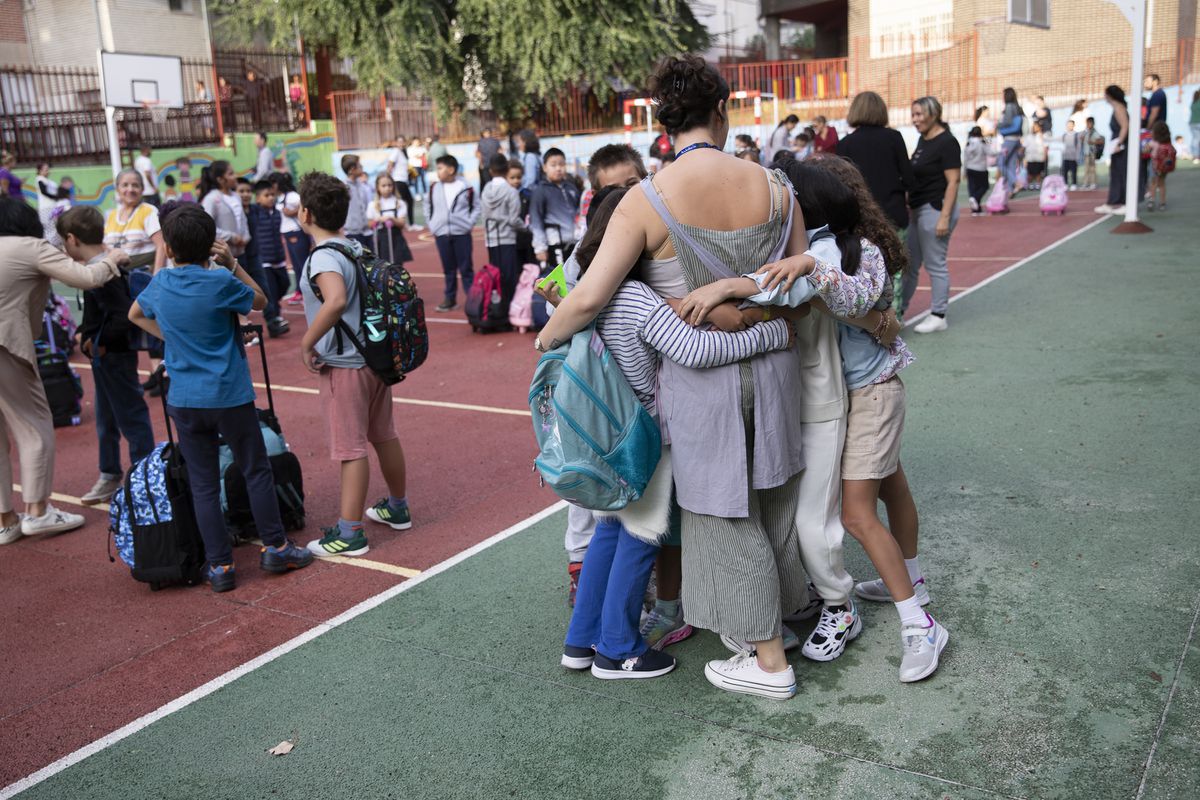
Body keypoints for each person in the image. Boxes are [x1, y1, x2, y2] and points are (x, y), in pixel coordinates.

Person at [535, 55, 816, 698]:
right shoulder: (775, 186)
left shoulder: (645, 200)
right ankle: (779, 626)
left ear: (662, 124)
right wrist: (752, 314)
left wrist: (548, 347)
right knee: (774, 497)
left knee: (724, 513)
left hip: (700, 388)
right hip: (774, 369)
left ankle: (764, 651)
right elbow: (802, 282)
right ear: (722, 109)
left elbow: (585, 297)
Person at [685, 156, 947, 682]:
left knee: (855, 514)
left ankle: (917, 623)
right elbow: (818, 299)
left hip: (870, 393)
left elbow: (834, 295)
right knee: (887, 489)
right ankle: (908, 583)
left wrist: (768, 279)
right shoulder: (818, 247)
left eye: (786, 199)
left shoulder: (846, 251)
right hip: (849, 396)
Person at [551, 187, 799, 680]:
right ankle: (619, 647)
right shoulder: (635, 297)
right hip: (645, 435)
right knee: (643, 538)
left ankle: (581, 640)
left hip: (604, 435)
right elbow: (694, 350)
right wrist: (772, 334)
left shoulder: (582, 290)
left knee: (608, 533)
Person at [128, 203, 313, 590]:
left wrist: (172, 340)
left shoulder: (160, 283)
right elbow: (260, 300)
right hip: (229, 394)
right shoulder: (220, 282)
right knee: (255, 469)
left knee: (203, 483)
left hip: (185, 399)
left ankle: (221, 567)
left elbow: (135, 315)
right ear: (211, 245)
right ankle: (276, 547)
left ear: (172, 249)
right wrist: (233, 265)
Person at [296, 171, 412, 557]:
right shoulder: (354, 247)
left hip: (344, 363)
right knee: (383, 433)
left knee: (351, 448)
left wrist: (307, 341)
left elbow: (335, 301)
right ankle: (397, 507)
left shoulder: (323, 258)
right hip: (374, 357)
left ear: (306, 212)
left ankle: (350, 533)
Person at [0, 198, 129, 544]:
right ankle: (39, 513)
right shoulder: (30, 247)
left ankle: (6, 520)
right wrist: (112, 258)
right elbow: (85, 277)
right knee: (34, 426)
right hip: (5, 346)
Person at [57, 206, 155, 506]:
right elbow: (98, 313)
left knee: (131, 416)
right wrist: (86, 334)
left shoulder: (104, 272)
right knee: (106, 418)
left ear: (72, 239)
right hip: (104, 356)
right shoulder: (97, 267)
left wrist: (100, 342)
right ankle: (110, 473)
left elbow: (122, 316)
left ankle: (145, 477)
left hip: (114, 356)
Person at [901, 96, 960, 334]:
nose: (914, 120)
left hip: (934, 209)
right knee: (911, 264)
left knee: (935, 264)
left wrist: (944, 216)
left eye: (918, 114)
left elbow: (954, 181)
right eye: (913, 115)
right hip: (917, 210)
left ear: (933, 114)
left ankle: (938, 314)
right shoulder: (923, 140)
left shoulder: (947, 142)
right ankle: (899, 310)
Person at [836, 90, 916, 231]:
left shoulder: (845, 144)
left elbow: (841, 184)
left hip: (861, 215)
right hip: (892, 213)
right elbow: (909, 177)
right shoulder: (894, 138)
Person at [424, 154, 479, 312]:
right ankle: (450, 298)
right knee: (448, 268)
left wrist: (468, 223)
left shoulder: (466, 187)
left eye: (440, 168)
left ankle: (472, 298)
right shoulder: (434, 187)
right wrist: (433, 224)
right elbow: (428, 207)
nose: (438, 172)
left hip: (462, 233)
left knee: (466, 267)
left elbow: (476, 207)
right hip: (441, 233)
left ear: (451, 169)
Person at [481, 153, 526, 310]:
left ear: (491, 171)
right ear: (507, 169)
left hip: (491, 238)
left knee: (495, 275)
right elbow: (514, 220)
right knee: (509, 277)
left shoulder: (486, 189)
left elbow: (485, 215)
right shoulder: (511, 191)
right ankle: (510, 311)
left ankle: (497, 308)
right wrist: (526, 228)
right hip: (507, 238)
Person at [247, 180, 290, 337]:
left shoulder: (277, 213)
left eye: (272, 194)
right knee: (269, 291)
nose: (271, 198)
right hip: (264, 260)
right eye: (266, 195)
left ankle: (274, 309)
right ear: (257, 198)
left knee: (285, 284)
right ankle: (274, 319)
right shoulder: (255, 212)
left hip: (278, 257)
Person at [104, 168, 165, 269]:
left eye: (135, 185)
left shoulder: (148, 211)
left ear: (142, 189)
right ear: (118, 189)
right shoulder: (111, 215)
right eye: (125, 185)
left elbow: (161, 245)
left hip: (142, 276)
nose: (130, 189)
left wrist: (156, 276)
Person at [530, 147, 580, 267]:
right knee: (561, 280)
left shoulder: (571, 188)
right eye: (553, 165)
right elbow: (536, 221)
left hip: (576, 243)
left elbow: (579, 214)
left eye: (562, 164)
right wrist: (540, 248)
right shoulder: (540, 191)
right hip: (555, 243)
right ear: (545, 167)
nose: (558, 168)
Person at [198, 160, 250, 269]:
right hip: (222, 257)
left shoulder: (236, 196)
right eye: (230, 174)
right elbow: (207, 227)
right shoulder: (211, 199)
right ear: (220, 179)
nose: (235, 176)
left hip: (241, 253)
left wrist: (245, 237)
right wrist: (232, 237)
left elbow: (243, 219)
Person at [1095, 85, 1130, 215]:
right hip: (1117, 146)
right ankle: (1114, 201)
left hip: (1120, 147)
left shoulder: (1119, 108)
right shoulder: (1117, 108)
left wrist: (1119, 143)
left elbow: (1125, 126)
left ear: (1110, 95)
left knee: (1122, 173)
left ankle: (1126, 203)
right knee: (1116, 174)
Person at [366, 172, 413, 264]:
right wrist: (379, 219)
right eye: (383, 186)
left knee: (397, 265)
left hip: (396, 239)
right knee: (382, 265)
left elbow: (402, 224)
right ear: (377, 188)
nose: (387, 188)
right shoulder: (373, 205)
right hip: (380, 240)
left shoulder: (399, 203)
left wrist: (392, 219)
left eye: (390, 185)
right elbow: (370, 224)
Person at [1140, 74, 1168, 203]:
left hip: (1154, 133)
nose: (1145, 82)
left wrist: (1147, 129)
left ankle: (1151, 191)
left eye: (1147, 80)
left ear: (1155, 81)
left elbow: (1154, 113)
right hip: (1155, 132)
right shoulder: (1157, 95)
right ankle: (1151, 190)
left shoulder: (1157, 95)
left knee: (1153, 163)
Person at [996, 87, 1025, 197]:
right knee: (1011, 164)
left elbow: (1007, 122)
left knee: (1001, 162)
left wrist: (998, 125)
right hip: (1016, 139)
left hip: (1009, 139)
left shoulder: (1009, 107)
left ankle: (1015, 183)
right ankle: (1011, 189)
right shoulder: (1018, 107)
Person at [340, 154, 372, 250]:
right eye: (359, 166)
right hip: (352, 233)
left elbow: (367, 205)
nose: (362, 168)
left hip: (367, 231)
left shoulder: (362, 186)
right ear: (351, 170)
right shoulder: (344, 188)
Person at [383, 139, 416, 230]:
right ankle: (404, 224)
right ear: (395, 143)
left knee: (406, 201)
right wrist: (387, 178)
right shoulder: (396, 151)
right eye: (399, 141)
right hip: (398, 181)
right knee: (403, 202)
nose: (401, 143)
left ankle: (407, 223)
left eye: (403, 142)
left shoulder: (403, 153)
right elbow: (390, 164)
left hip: (403, 181)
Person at [1146, 121, 1176, 212]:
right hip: (1164, 166)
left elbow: (1145, 150)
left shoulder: (1153, 142)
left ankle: (1152, 200)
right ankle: (1162, 203)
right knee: (1162, 183)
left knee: (1153, 182)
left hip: (1154, 164)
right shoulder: (1168, 143)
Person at [963, 126, 989, 214]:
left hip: (970, 168)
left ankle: (976, 209)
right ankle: (975, 198)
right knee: (984, 186)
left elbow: (965, 158)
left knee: (972, 188)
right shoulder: (982, 142)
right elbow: (991, 152)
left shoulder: (968, 143)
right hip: (981, 168)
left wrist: (964, 170)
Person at [475, 128, 502, 194]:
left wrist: (481, 163)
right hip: (494, 165)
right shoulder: (496, 141)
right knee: (495, 181)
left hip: (485, 165)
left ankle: (487, 196)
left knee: (486, 182)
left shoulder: (481, 142)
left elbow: (478, 154)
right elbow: (500, 152)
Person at [1024, 119, 1047, 191]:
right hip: (1030, 157)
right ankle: (1030, 184)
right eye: (1033, 127)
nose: (1034, 128)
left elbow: (1045, 147)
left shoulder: (1043, 136)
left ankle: (1038, 184)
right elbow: (1024, 146)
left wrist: (1045, 156)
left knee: (1038, 172)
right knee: (1030, 172)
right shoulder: (1028, 136)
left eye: (1036, 127)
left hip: (1039, 157)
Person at [1082, 117, 1104, 190]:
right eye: (1087, 123)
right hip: (1086, 153)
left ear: (1092, 123)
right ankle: (1086, 183)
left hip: (1092, 153)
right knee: (1086, 169)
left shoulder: (1094, 132)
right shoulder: (1085, 132)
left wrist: (1093, 142)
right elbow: (1082, 140)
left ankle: (1093, 183)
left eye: (1089, 123)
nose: (1088, 125)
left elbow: (1101, 141)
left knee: (1092, 169)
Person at [1061, 119, 1082, 190]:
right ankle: (1065, 184)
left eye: (1071, 125)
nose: (1069, 126)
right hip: (1065, 157)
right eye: (1068, 125)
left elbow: (1079, 147)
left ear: (1073, 125)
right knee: (1065, 172)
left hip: (1073, 157)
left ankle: (1074, 184)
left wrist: (1077, 156)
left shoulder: (1076, 135)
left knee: (1074, 172)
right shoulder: (1064, 135)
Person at [407, 135, 428, 204]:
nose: (417, 143)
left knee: (423, 180)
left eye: (418, 141)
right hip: (414, 167)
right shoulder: (410, 149)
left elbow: (425, 155)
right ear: (413, 142)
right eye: (415, 141)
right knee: (415, 180)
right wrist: (420, 155)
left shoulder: (422, 148)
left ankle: (425, 193)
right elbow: (414, 156)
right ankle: (417, 194)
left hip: (421, 166)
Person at [1189, 89, 1200, 165]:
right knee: (1196, 140)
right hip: (1198, 123)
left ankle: (1195, 156)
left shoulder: (1193, 102)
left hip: (1192, 123)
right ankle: (1196, 156)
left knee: (1195, 139)